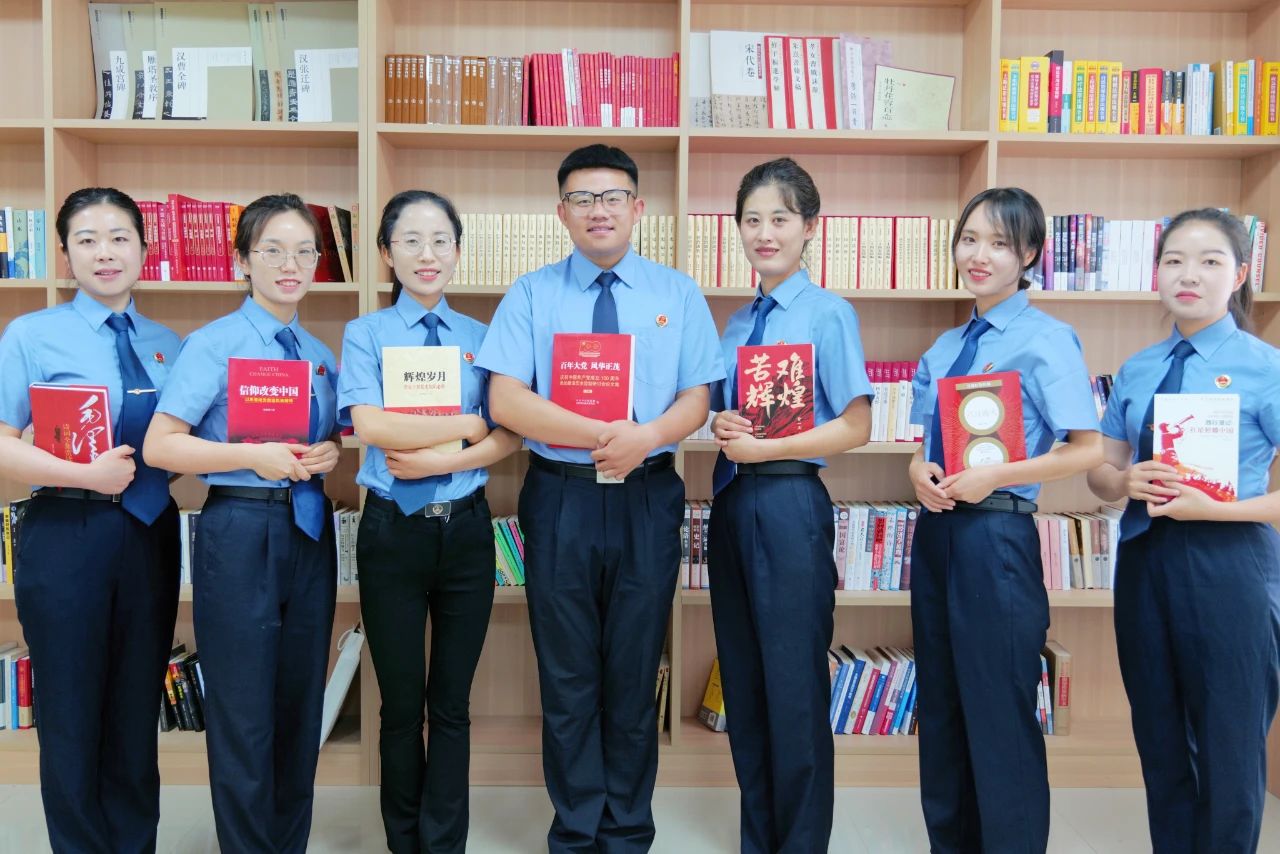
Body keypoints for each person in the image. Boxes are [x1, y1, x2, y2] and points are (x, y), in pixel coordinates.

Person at [475, 143, 725, 851]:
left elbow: (698, 397)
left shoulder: (677, 293)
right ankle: (576, 828)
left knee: (634, 670)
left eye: (613, 197)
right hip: (562, 496)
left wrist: (646, 439)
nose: (599, 211)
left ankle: (628, 830)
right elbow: (506, 399)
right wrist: (604, 435)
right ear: (562, 213)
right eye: (582, 199)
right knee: (568, 673)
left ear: (638, 208)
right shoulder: (532, 293)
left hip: (648, 494)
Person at [143, 193, 340, 853]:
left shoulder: (317, 352)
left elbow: (324, 438)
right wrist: (248, 457)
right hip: (239, 528)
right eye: (272, 250)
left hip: (308, 531)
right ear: (242, 262)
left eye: (304, 251)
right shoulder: (213, 344)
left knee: (298, 706)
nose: (290, 264)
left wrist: (328, 453)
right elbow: (162, 447)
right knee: (243, 710)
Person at [907, 187, 1103, 853]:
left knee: (999, 714)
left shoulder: (1047, 338)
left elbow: (1086, 448)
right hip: (937, 534)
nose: (979, 254)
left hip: (997, 537)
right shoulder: (945, 346)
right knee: (942, 709)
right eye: (969, 239)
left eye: (999, 243)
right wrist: (917, 470)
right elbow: (926, 446)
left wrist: (997, 475)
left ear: (1030, 254)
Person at [1086, 208, 1280, 854]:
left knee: (1229, 745)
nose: (1188, 275)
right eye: (1174, 260)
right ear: (1157, 273)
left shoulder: (1266, 367)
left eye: (1209, 261)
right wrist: (1125, 481)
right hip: (1146, 561)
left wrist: (1213, 510)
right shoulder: (1138, 368)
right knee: (1161, 739)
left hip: (1232, 564)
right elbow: (1101, 474)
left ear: (1241, 274)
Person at [338, 190, 521, 853]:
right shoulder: (366, 333)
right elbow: (368, 425)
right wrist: (468, 422)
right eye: (410, 240)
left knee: (451, 703)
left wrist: (459, 450)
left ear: (458, 252)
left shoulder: (483, 338)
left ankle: (444, 842)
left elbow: (510, 435)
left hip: (466, 530)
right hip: (393, 530)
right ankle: (403, 838)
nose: (427, 253)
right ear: (386, 253)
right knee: (399, 704)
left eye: (441, 240)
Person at [0, 187, 180, 853]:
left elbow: (179, 442)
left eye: (119, 238)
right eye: (87, 240)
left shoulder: (168, 344)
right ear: (64, 253)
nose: (105, 253)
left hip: (150, 533)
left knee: (135, 706)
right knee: (71, 710)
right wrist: (84, 475)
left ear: (143, 248)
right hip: (65, 531)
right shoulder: (32, 334)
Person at [706, 157, 872, 853]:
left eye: (779, 218)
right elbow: (725, 416)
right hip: (731, 502)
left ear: (810, 227)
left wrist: (766, 449)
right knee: (745, 682)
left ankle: (800, 843)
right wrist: (721, 425)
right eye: (752, 220)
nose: (764, 233)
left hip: (789, 502)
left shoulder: (827, 313)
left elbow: (856, 425)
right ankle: (760, 837)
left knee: (794, 685)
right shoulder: (737, 322)